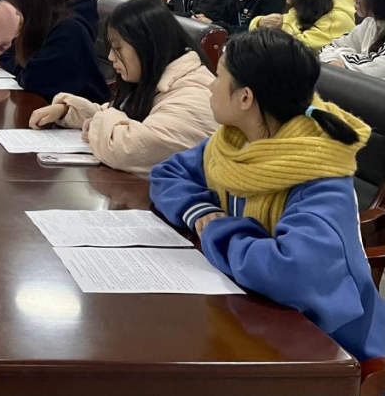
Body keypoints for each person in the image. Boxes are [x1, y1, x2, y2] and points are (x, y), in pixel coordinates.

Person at [150, 29, 384, 363]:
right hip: (254, 313)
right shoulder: (233, 143)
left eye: (218, 77)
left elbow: (292, 271)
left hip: (334, 349)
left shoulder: (318, 172)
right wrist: (199, 209)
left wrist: (218, 230)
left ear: (245, 98)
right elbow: (167, 174)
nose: (211, 86)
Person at [30, 0, 217, 174]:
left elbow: (127, 149)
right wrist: (66, 111)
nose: (111, 57)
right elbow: (117, 112)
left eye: (118, 48)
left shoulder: (193, 95)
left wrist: (97, 121)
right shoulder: (159, 79)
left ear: (148, 44)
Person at [0, 0, 110, 103]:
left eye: (20, 7)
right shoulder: (43, 25)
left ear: (33, 6)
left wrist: (22, 70)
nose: (16, 12)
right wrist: (23, 70)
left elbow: (32, 80)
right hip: (53, 105)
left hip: (80, 111)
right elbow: (6, 57)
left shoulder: (68, 31)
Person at [320, 0, 385, 77]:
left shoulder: (337, 16)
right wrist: (332, 60)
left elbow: (376, 69)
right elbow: (329, 47)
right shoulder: (370, 23)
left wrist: (341, 57)